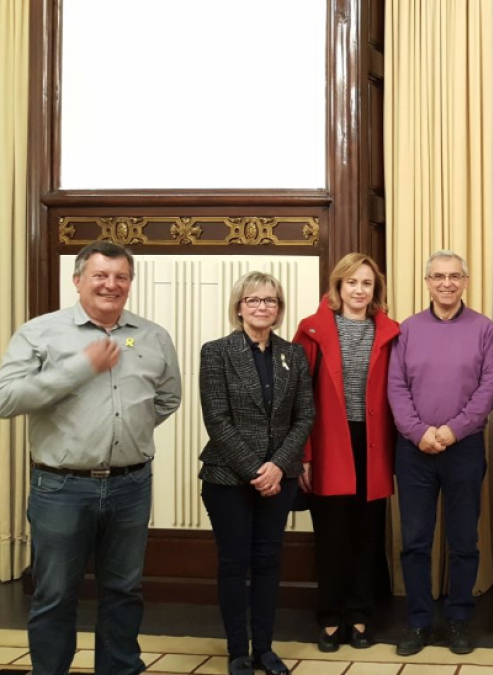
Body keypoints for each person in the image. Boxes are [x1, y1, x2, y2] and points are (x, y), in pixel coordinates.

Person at [0, 241, 182, 675]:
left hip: (131, 484)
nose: (111, 285)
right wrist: (80, 367)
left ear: (130, 283)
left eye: (121, 277)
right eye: (100, 275)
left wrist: (122, 433)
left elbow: (168, 398)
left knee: (124, 591)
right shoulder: (40, 332)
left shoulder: (153, 335)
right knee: (56, 594)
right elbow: (6, 399)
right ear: (78, 280)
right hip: (61, 487)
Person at [198, 272, 315, 675]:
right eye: (254, 300)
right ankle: (237, 652)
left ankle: (264, 648)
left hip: (278, 478)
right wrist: (255, 470)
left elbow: (305, 417)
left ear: (279, 309)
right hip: (227, 478)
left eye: (270, 301)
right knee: (234, 563)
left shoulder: (293, 355)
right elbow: (216, 419)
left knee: (268, 562)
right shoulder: (215, 352)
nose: (262, 307)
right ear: (239, 306)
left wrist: (278, 466)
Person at [388, 250, 493, 656]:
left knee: (464, 540)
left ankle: (458, 619)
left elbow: (489, 389)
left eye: (454, 276)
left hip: (464, 449)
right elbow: (395, 388)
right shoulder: (407, 329)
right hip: (414, 451)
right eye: (438, 276)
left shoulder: (484, 328)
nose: (446, 283)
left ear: (465, 281)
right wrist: (420, 433)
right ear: (427, 282)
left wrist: (452, 431)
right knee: (415, 541)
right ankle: (418, 622)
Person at [294, 253, 400, 651]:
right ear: (338, 287)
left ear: (376, 290)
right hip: (327, 444)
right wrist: (302, 453)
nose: (359, 290)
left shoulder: (390, 330)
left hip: (373, 444)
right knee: (331, 537)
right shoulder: (312, 330)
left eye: (367, 284)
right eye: (351, 282)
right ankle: (329, 616)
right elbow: (297, 399)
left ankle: (359, 614)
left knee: (367, 535)